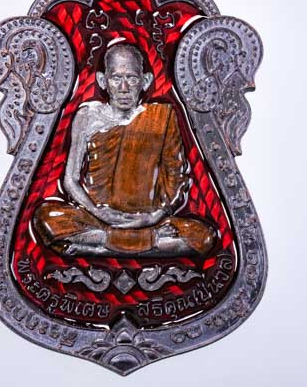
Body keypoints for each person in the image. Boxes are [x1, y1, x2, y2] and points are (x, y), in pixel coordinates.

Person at [33, 44, 216, 256]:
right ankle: (145, 243)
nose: (124, 87)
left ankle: (101, 247)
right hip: (96, 218)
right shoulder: (87, 116)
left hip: (148, 220)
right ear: (103, 81)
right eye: (116, 78)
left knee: (203, 236)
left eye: (132, 78)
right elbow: (71, 180)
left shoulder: (163, 115)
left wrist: (154, 216)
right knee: (46, 217)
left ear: (145, 81)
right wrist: (98, 212)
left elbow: (176, 176)